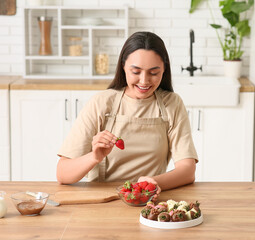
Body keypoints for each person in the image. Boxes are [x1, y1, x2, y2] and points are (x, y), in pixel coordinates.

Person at [56, 31, 198, 197]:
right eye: (136, 72)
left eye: (153, 73)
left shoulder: (171, 104)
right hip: (100, 202)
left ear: (164, 69)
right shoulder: (101, 103)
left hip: (148, 200)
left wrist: (154, 183)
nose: (144, 81)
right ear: (123, 66)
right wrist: (94, 157)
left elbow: (188, 170)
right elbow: (62, 173)